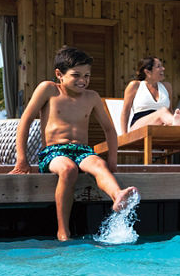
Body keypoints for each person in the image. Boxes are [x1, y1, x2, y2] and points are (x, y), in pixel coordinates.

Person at [11, 45, 140, 241]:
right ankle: (63, 230)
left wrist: (112, 160)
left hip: (82, 151)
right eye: (76, 75)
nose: (83, 81)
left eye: (87, 76)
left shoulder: (92, 97)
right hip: (54, 152)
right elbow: (26, 120)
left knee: (99, 164)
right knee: (68, 169)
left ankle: (117, 196)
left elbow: (109, 129)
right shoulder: (49, 90)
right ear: (59, 74)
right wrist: (22, 160)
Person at [120, 56, 180, 132]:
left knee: (165, 115)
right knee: (163, 111)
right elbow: (125, 112)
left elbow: (170, 110)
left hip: (160, 126)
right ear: (147, 72)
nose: (163, 68)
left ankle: (177, 123)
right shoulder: (135, 86)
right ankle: (179, 123)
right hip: (138, 126)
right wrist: (124, 136)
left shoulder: (167, 87)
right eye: (158, 66)